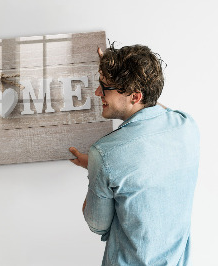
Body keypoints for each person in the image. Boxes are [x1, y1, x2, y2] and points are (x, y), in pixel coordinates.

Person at [69, 44, 200, 265]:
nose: (98, 92)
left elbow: (97, 224)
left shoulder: (104, 153)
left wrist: (97, 169)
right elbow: (153, 108)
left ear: (135, 96)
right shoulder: (187, 125)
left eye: (105, 86)